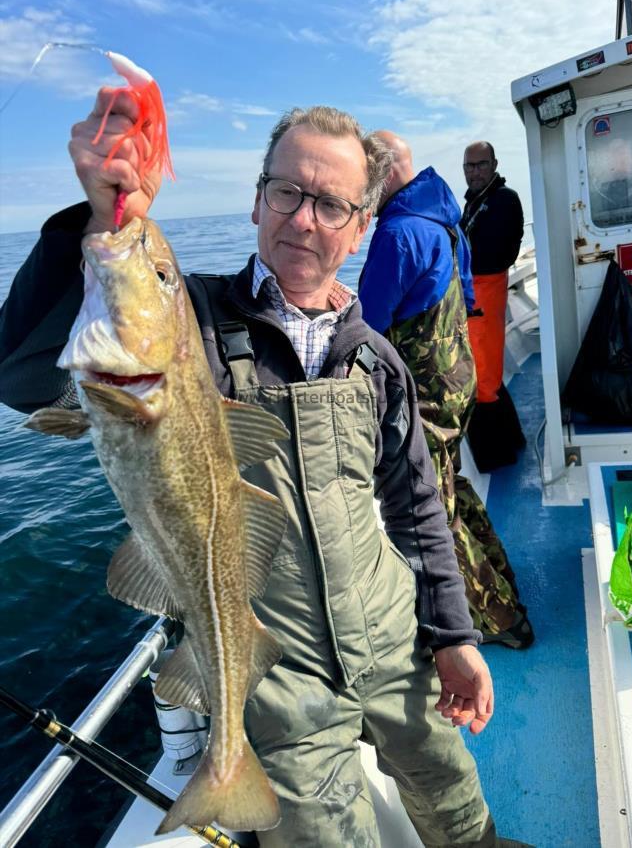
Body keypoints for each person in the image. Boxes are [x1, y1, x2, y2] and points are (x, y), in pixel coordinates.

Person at [0, 96, 534, 847]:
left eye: (330, 204)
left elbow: (417, 507)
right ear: (257, 200)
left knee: (452, 794)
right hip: (279, 673)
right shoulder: (194, 323)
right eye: (287, 191)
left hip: (388, 635)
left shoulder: (374, 358)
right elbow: (24, 376)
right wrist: (101, 220)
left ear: (357, 229)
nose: (303, 218)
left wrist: (453, 635)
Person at [358, 131, 533, 648]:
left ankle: (501, 620)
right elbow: (467, 289)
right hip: (458, 378)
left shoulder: (398, 234)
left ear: (385, 173)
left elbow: (366, 324)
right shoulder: (444, 216)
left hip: (426, 395)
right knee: (455, 488)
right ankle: (505, 585)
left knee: (433, 511)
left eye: (364, 177)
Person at [460, 141, 526, 472]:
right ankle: (512, 439)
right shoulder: (474, 202)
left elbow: (501, 253)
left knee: (483, 378)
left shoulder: (504, 199)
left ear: (494, 164)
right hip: (477, 293)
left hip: (486, 292)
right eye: (469, 166)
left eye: (481, 165)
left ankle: (496, 456)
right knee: (487, 372)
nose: (474, 171)